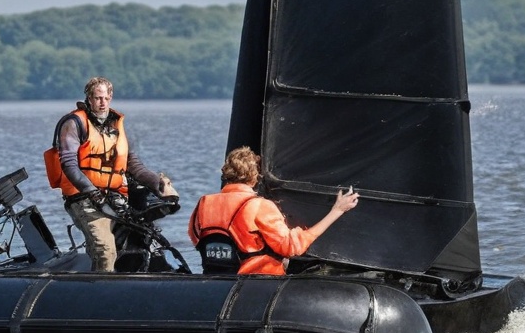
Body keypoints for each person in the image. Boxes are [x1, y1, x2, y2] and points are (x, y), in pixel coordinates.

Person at [45, 76, 177, 272]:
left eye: (106, 98)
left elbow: (134, 165)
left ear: (111, 98)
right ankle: (100, 284)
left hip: (114, 197)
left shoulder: (116, 124)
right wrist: (92, 192)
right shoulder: (73, 124)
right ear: (89, 98)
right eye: (98, 98)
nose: (102, 103)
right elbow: (69, 165)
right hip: (82, 197)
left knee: (136, 241)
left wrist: (158, 184)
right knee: (105, 249)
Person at [188, 146, 359, 275]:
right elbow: (291, 248)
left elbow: (195, 237)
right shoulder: (259, 206)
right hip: (256, 281)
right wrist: (337, 210)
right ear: (255, 176)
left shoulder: (204, 203)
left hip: (216, 278)